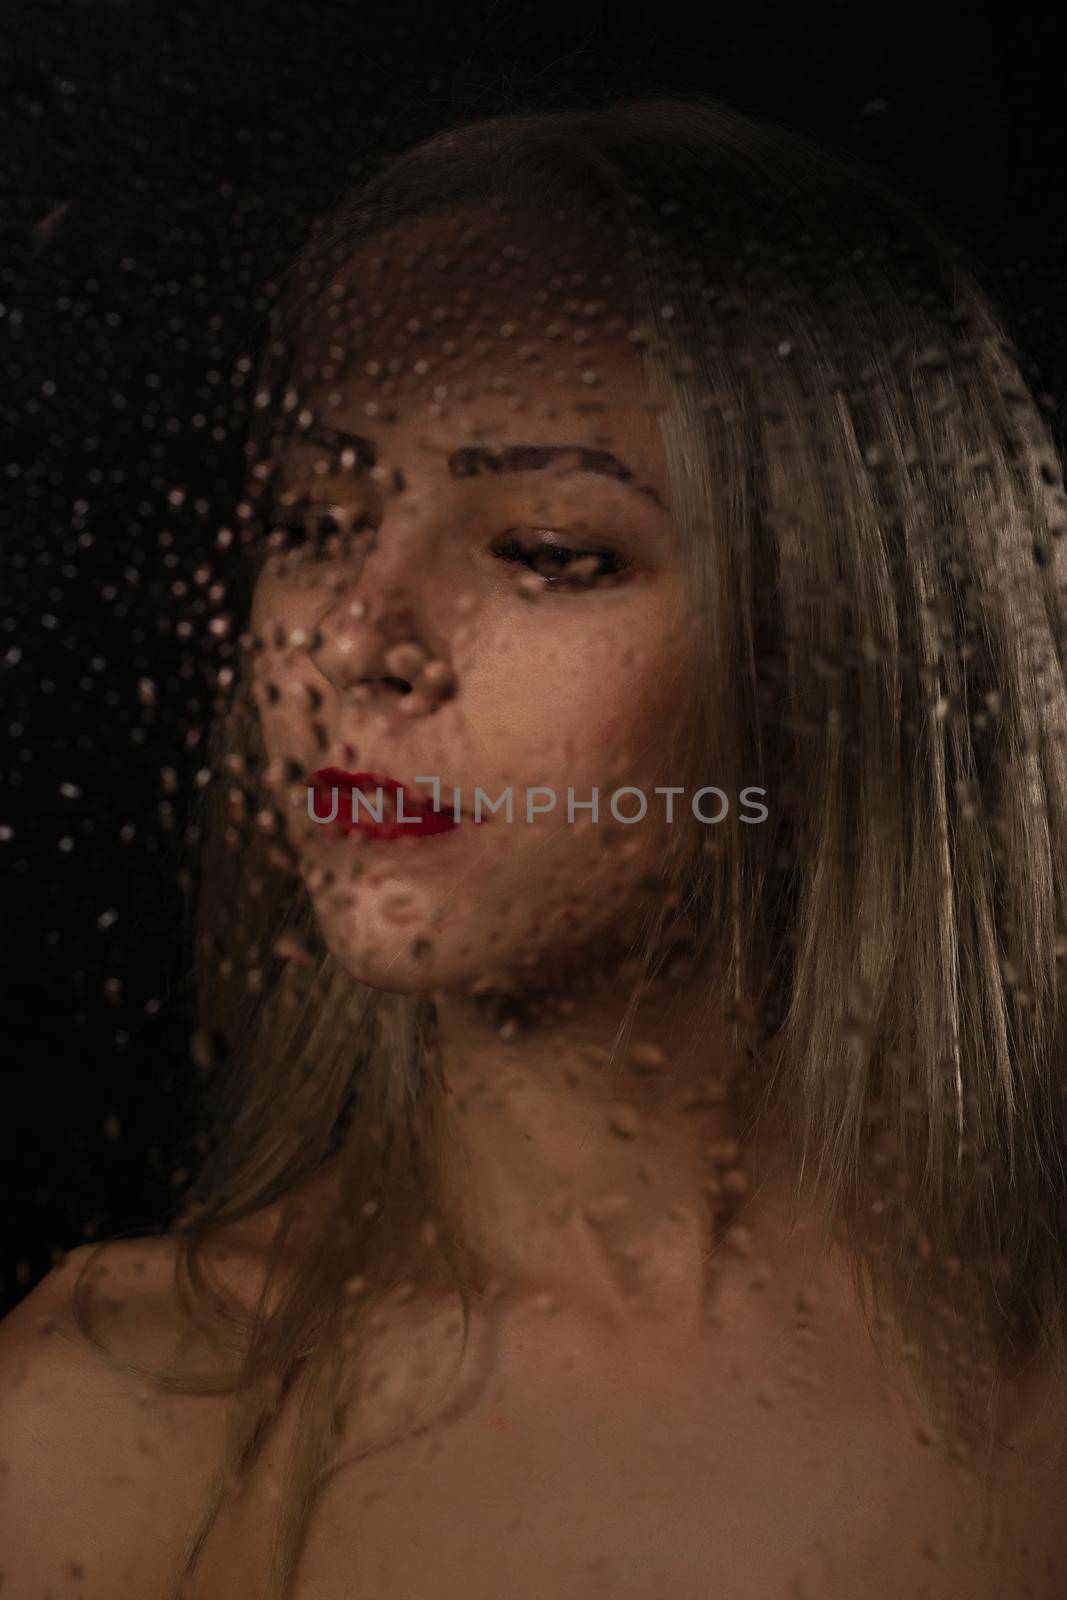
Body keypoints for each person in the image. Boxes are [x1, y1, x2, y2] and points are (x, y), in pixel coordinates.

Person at [3, 96, 1067, 1600]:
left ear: (843, 661)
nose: (360, 641)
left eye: (546, 551)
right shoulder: (116, 1412)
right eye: (313, 519)